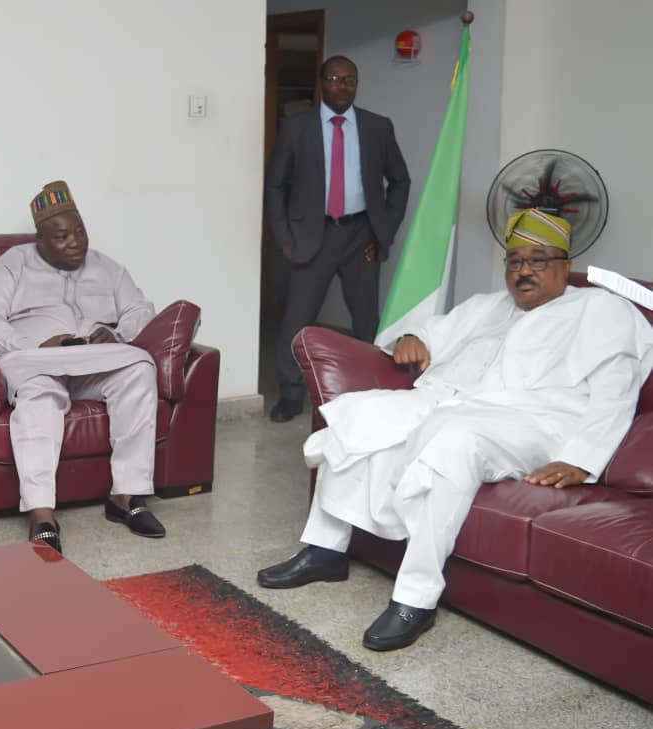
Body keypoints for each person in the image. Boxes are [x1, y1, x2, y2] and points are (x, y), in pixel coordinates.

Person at [257, 209, 653, 651]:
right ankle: (325, 550)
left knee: (455, 441)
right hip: (456, 404)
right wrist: (413, 338)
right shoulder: (489, 306)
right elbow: (430, 332)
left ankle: (416, 597)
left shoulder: (600, 309)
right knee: (360, 412)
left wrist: (581, 458)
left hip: (539, 423)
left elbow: (616, 391)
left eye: (538, 260)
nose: (523, 271)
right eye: (515, 261)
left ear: (565, 264)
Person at [0, 180, 165, 553]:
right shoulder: (13, 264)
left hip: (94, 361)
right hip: (37, 361)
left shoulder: (108, 268)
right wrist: (32, 345)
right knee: (39, 395)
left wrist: (118, 333)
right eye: (61, 237)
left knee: (140, 368)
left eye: (80, 232)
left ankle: (127, 496)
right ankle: (42, 514)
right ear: (40, 239)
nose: (75, 242)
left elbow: (140, 309)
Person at [265, 55, 411, 423]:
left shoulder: (378, 127)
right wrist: (285, 236)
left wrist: (383, 231)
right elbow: (275, 186)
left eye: (349, 79)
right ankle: (291, 393)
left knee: (366, 319)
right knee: (297, 320)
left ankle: (368, 390)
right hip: (311, 236)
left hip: (361, 235)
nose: (342, 86)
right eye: (334, 78)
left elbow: (400, 181)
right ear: (322, 83)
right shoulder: (297, 129)